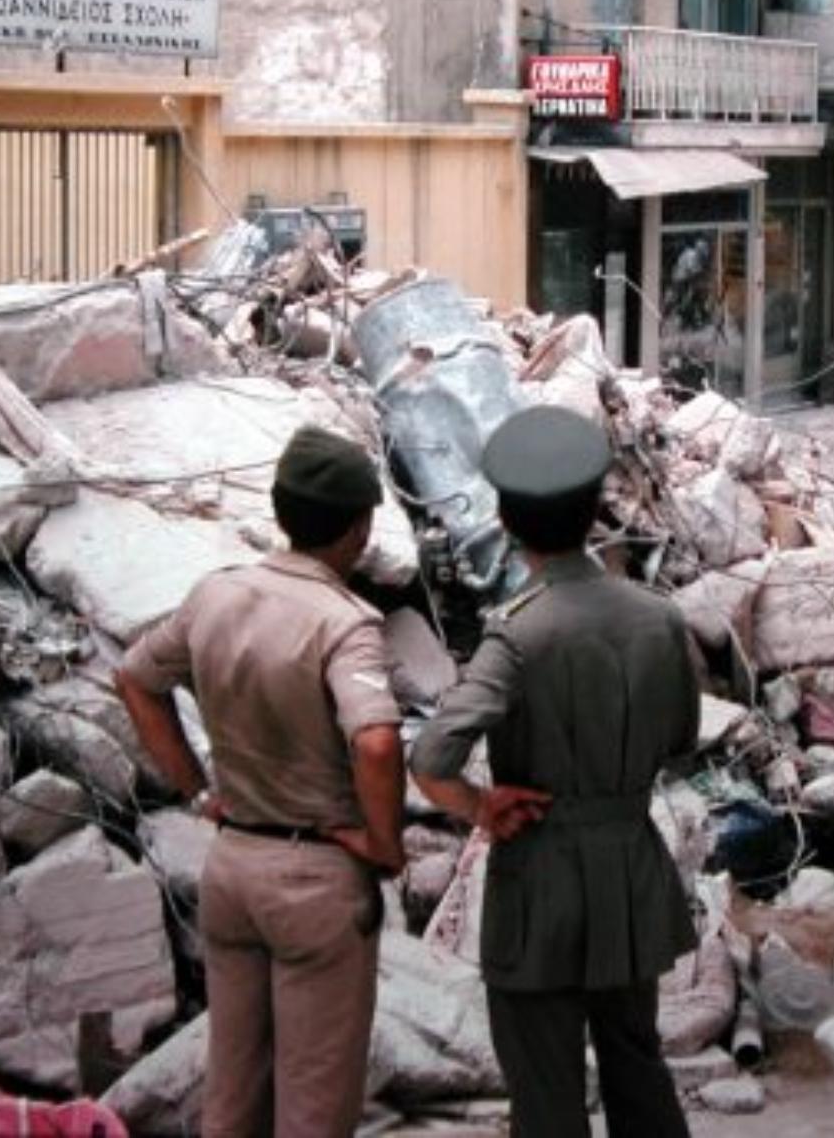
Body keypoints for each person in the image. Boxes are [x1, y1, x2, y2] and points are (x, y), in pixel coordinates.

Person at [411, 406, 700, 1138]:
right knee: (638, 1066)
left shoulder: (518, 631)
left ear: (506, 521)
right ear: (596, 510)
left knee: (546, 1093)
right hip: (633, 873)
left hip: (540, 880)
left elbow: (430, 754)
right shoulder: (659, 618)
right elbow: (680, 741)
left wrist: (478, 805)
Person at [115, 425, 406, 1138]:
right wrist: (384, 843)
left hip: (232, 867)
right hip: (315, 882)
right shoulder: (344, 624)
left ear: (280, 512)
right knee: (315, 1102)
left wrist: (193, 789)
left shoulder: (216, 595)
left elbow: (133, 678)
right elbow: (375, 740)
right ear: (362, 528)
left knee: (234, 1090)